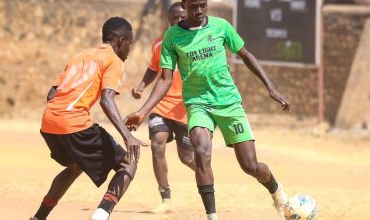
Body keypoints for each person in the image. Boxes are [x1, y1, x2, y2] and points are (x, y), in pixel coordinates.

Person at [124, 0, 291, 220]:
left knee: (250, 166)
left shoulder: (221, 27)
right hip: (197, 103)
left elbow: (246, 55)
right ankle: (212, 216)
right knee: (201, 151)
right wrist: (143, 111)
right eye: (194, 6)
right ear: (184, 5)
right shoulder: (172, 37)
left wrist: (271, 88)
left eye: (203, 4)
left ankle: (277, 192)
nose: (200, 10)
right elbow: (164, 80)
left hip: (228, 102)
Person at [30, 17, 147, 220]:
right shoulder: (113, 60)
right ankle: (101, 216)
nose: (129, 49)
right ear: (120, 41)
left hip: (49, 123)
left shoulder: (80, 56)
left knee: (75, 165)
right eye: (129, 43)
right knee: (128, 164)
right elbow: (106, 99)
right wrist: (127, 135)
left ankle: (39, 217)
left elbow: (52, 93)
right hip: (73, 122)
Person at [131, 2, 195, 214]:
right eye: (174, 18)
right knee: (157, 145)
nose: (178, 21)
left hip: (185, 108)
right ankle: (165, 198)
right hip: (162, 106)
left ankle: (207, 176)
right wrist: (141, 86)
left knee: (187, 158)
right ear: (169, 20)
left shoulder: (195, 42)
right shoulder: (159, 44)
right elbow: (153, 68)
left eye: (181, 17)